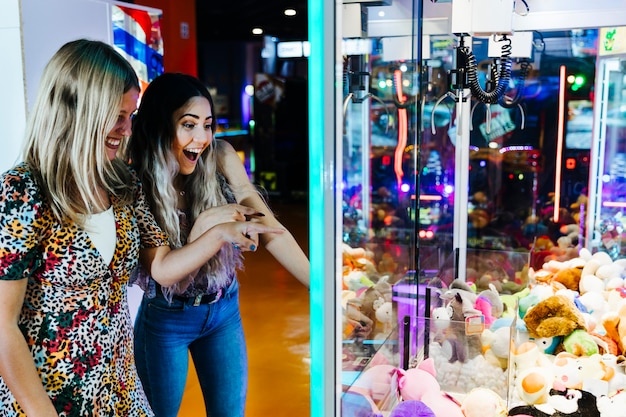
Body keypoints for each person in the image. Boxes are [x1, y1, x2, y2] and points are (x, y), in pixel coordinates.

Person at [0, 39, 281, 417]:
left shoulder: (123, 183)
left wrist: (217, 234)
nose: (127, 129)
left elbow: (162, 266)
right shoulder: (23, 191)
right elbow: (3, 325)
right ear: (78, 109)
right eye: (117, 115)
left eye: (130, 116)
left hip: (120, 392)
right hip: (50, 398)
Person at [125, 72, 310, 417]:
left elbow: (266, 226)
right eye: (189, 125)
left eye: (208, 125)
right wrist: (213, 225)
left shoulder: (219, 155)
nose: (202, 138)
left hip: (223, 308)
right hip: (167, 319)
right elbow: (167, 273)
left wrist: (323, 289)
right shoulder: (138, 181)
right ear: (161, 125)